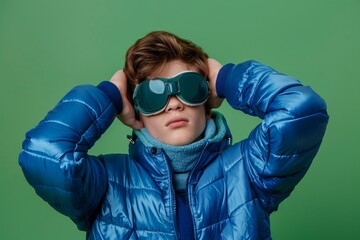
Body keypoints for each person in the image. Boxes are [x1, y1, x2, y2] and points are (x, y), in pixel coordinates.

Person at [19, 31, 329, 239]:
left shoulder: (248, 172)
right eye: (154, 94)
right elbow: (45, 154)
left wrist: (228, 78)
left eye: (190, 88)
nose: (174, 103)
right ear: (137, 111)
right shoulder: (106, 183)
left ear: (206, 101)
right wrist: (109, 96)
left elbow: (302, 110)